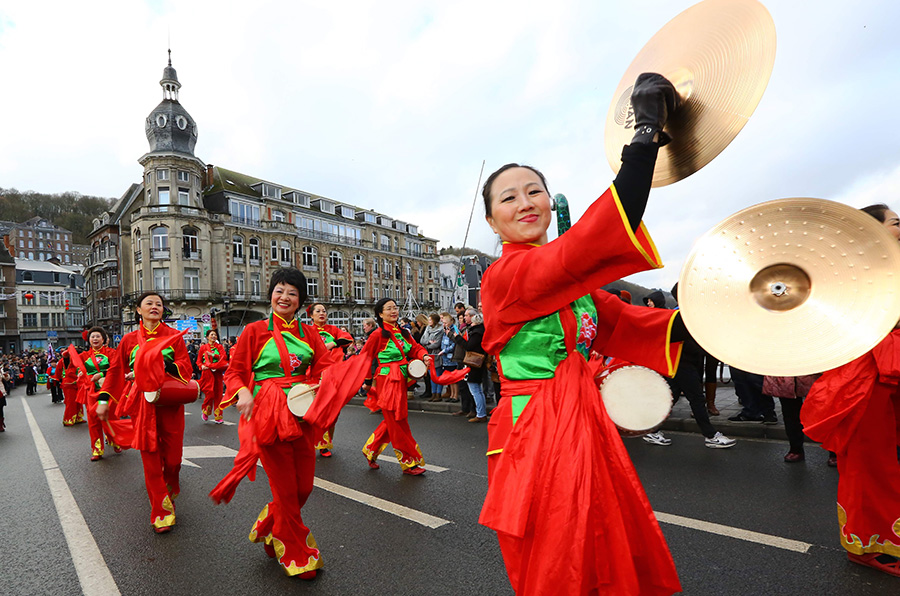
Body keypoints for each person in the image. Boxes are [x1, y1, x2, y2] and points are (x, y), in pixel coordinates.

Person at [477, 73, 684, 594]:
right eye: (509, 199)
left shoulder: (578, 291)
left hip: (585, 425)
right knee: (556, 564)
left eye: (534, 191)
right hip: (531, 433)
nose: (525, 202)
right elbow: (582, 251)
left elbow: (637, 324)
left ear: (550, 201)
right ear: (492, 223)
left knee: (599, 546)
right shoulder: (504, 277)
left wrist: (736, 321)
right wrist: (643, 139)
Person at [801, 203, 900, 577]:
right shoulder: (852, 276)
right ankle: (867, 544)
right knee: (868, 465)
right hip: (864, 377)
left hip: (889, 372)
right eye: (894, 222)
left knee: (888, 462)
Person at [211, 268, 330, 578]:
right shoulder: (254, 331)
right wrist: (244, 393)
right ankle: (296, 554)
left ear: (300, 300)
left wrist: (319, 384)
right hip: (269, 413)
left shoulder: (310, 334)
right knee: (286, 490)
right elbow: (234, 372)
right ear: (271, 295)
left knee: (303, 486)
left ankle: (268, 524)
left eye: (292, 292)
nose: (284, 297)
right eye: (279, 290)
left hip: (302, 413)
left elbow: (324, 370)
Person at [96, 292, 193, 534]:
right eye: (149, 303)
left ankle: (169, 484)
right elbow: (116, 371)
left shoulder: (174, 337)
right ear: (138, 310)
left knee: (173, 459)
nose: (154, 307)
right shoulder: (129, 340)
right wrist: (104, 398)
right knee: (149, 454)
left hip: (169, 401)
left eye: (159, 304)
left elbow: (186, 366)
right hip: (142, 402)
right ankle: (161, 510)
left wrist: (165, 366)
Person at [643, 283, 736, 448]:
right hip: (683, 364)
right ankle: (710, 435)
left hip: (683, 364)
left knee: (670, 398)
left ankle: (651, 429)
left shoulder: (688, 315)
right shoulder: (679, 316)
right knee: (697, 399)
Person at [360, 298, 433, 475]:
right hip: (387, 381)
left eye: (395, 308)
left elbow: (416, 348)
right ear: (380, 313)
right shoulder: (377, 335)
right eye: (389, 308)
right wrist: (367, 382)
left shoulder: (404, 332)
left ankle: (371, 449)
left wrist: (424, 357)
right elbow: (365, 358)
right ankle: (408, 462)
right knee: (398, 421)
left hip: (401, 379)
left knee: (394, 420)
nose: (394, 311)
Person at [307, 302, 353, 458]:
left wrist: (332, 344)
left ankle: (325, 440)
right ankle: (320, 443)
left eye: (324, 311)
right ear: (311, 315)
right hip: (315, 377)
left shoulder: (333, 330)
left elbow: (347, 339)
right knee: (318, 410)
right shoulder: (307, 332)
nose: (322, 313)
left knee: (334, 412)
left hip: (334, 375)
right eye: (318, 311)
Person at [79, 327, 124, 461]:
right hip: (92, 392)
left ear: (103, 339)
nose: (95, 339)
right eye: (92, 337)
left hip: (108, 391)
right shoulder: (84, 356)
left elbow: (116, 369)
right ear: (89, 340)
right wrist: (81, 374)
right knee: (93, 421)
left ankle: (115, 440)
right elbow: (78, 371)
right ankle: (97, 449)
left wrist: (102, 374)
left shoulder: (111, 353)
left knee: (111, 418)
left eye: (98, 336)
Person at [450, 308, 488, 422]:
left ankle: (481, 414)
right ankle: (480, 412)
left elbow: (469, 346)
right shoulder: (478, 331)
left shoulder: (477, 332)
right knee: (477, 390)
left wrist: (457, 337)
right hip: (477, 362)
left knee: (475, 390)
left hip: (474, 363)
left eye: (467, 316)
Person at [197, 329, 231, 424]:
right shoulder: (203, 348)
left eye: (215, 335)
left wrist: (213, 355)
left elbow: (223, 357)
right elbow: (199, 361)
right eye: (211, 335)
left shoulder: (219, 347)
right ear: (207, 337)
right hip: (207, 373)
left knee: (218, 394)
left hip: (217, 373)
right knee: (210, 393)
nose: (213, 336)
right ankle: (206, 411)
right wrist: (201, 366)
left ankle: (218, 416)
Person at [420, 314, 445, 402]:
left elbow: (436, 344)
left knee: (438, 375)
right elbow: (422, 340)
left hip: (437, 355)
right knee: (431, 376)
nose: (429, 321)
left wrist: (428, 344)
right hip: (428, 354)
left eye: (430, 320)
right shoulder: (427, 329)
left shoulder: (440, 330)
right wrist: (428, 342)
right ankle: (433, 393)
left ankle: (438, 394)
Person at [58, 351, 84, 426]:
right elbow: (59, 371)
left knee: (79, 401)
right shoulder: (63, 361)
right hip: (69, 384)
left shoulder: (78, 361)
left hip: (77, 384)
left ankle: (77, 417)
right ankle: (68, 419)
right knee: (70, 402)